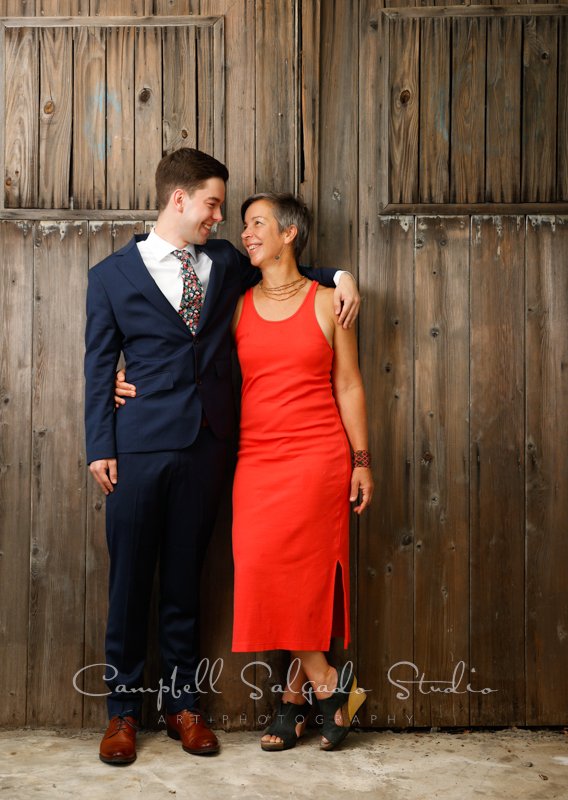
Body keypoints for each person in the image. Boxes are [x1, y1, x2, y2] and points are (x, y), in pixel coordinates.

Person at [84, 148, 360, 765]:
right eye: (211, 203)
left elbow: (290, 269)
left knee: (185, 580)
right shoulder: (110, 276)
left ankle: (185, 708)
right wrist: (99, 442)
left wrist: (340, 277)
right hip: (134, 450)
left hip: (209, 448)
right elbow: (98, 364)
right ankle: (122, 714)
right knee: (129, 584)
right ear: (178, 199)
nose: (219, 218)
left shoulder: (227, 263)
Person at [230, 193, 373, 752]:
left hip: (317, 458)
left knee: (306, 581)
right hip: (256, 461)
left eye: (257, 224)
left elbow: (350, 384)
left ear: (290, 233)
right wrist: (128, 377)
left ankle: (295, 702)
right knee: (267, 571)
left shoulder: (328, 301)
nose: (246, 234)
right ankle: (328, 685)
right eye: (243, 227)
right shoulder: (236, 302)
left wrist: (361, 461)